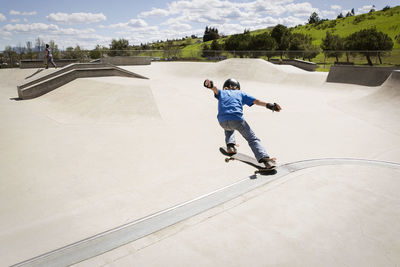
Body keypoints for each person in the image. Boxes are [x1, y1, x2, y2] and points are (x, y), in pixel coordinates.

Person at [204, 78, 281, 169]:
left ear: (225, 87)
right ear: (237, 87)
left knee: (229, 128)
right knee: (252, 139)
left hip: (222, 121)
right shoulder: (240, 93)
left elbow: (215, 89)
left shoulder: (221, 92)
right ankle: (264, 158)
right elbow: (257, 102)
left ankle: (230, 146)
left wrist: (211, 86)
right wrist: (270, 105)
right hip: (237, 120)